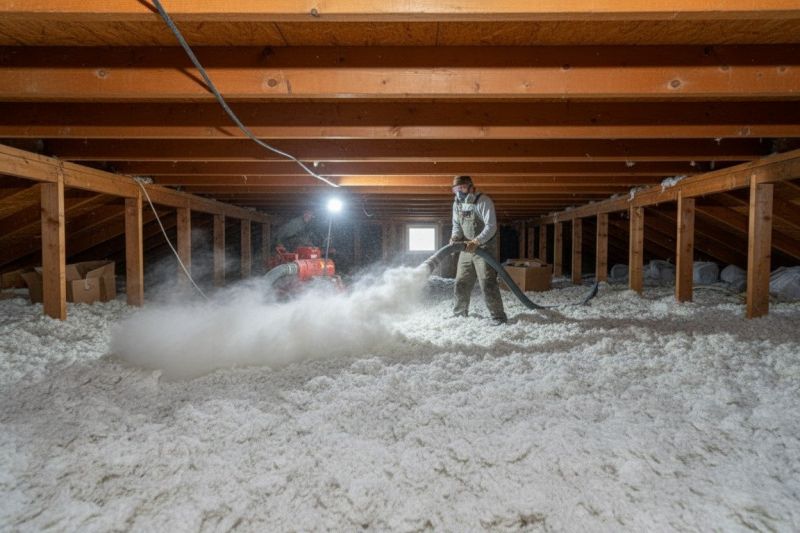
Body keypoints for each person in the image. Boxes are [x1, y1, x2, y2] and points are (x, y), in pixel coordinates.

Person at [450, 175, 508, 325]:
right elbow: (457, 225)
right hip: (467, 248)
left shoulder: (483, 201)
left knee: (487, 282)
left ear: (471, 187)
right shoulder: (457, 204)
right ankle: (459, 313)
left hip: (484, 248)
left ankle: (498, 317)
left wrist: (477, 241)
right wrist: (456, 237)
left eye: (462, 188)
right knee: (461, 281)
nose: (459, 192)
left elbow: (491, 226)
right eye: (456, 189)